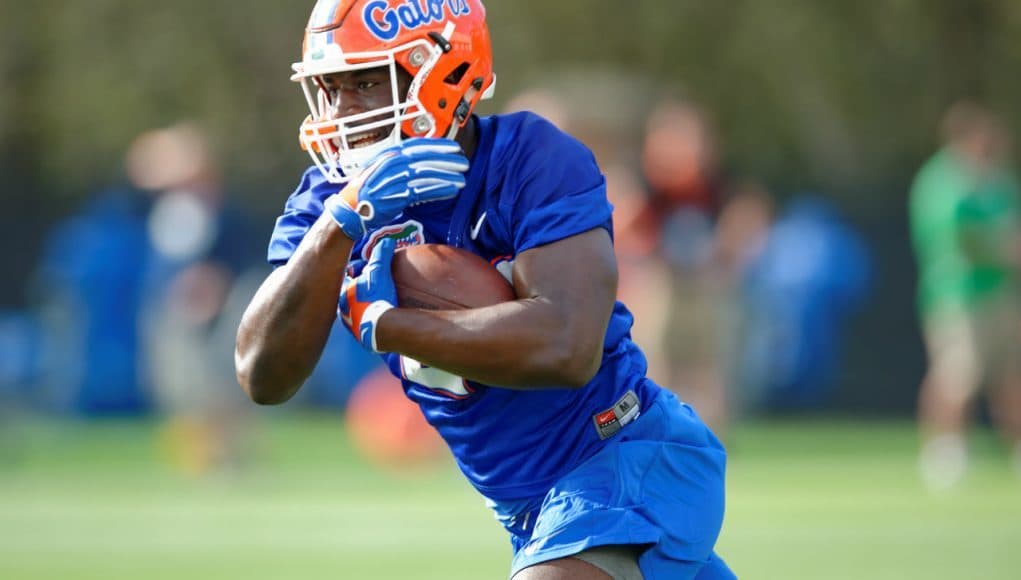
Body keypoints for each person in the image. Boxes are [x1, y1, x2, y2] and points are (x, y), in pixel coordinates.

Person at [236, 2, 734, 578]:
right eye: (330, 88)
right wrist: (341, 222)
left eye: (367, 83)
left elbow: (566, 348)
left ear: (443, 72)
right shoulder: (329, 199)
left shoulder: (532, 158)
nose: (341, 110)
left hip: (622, 458)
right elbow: (261, 375)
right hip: (528, 507)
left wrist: (391, 324)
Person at [910, 101, 1021, 490]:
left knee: (1012, 375)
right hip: (957, 297)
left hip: (1002, 295)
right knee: (958, 374)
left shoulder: (999, 182)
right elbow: (965, 239)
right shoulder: (943, 182)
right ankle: (944, 449)